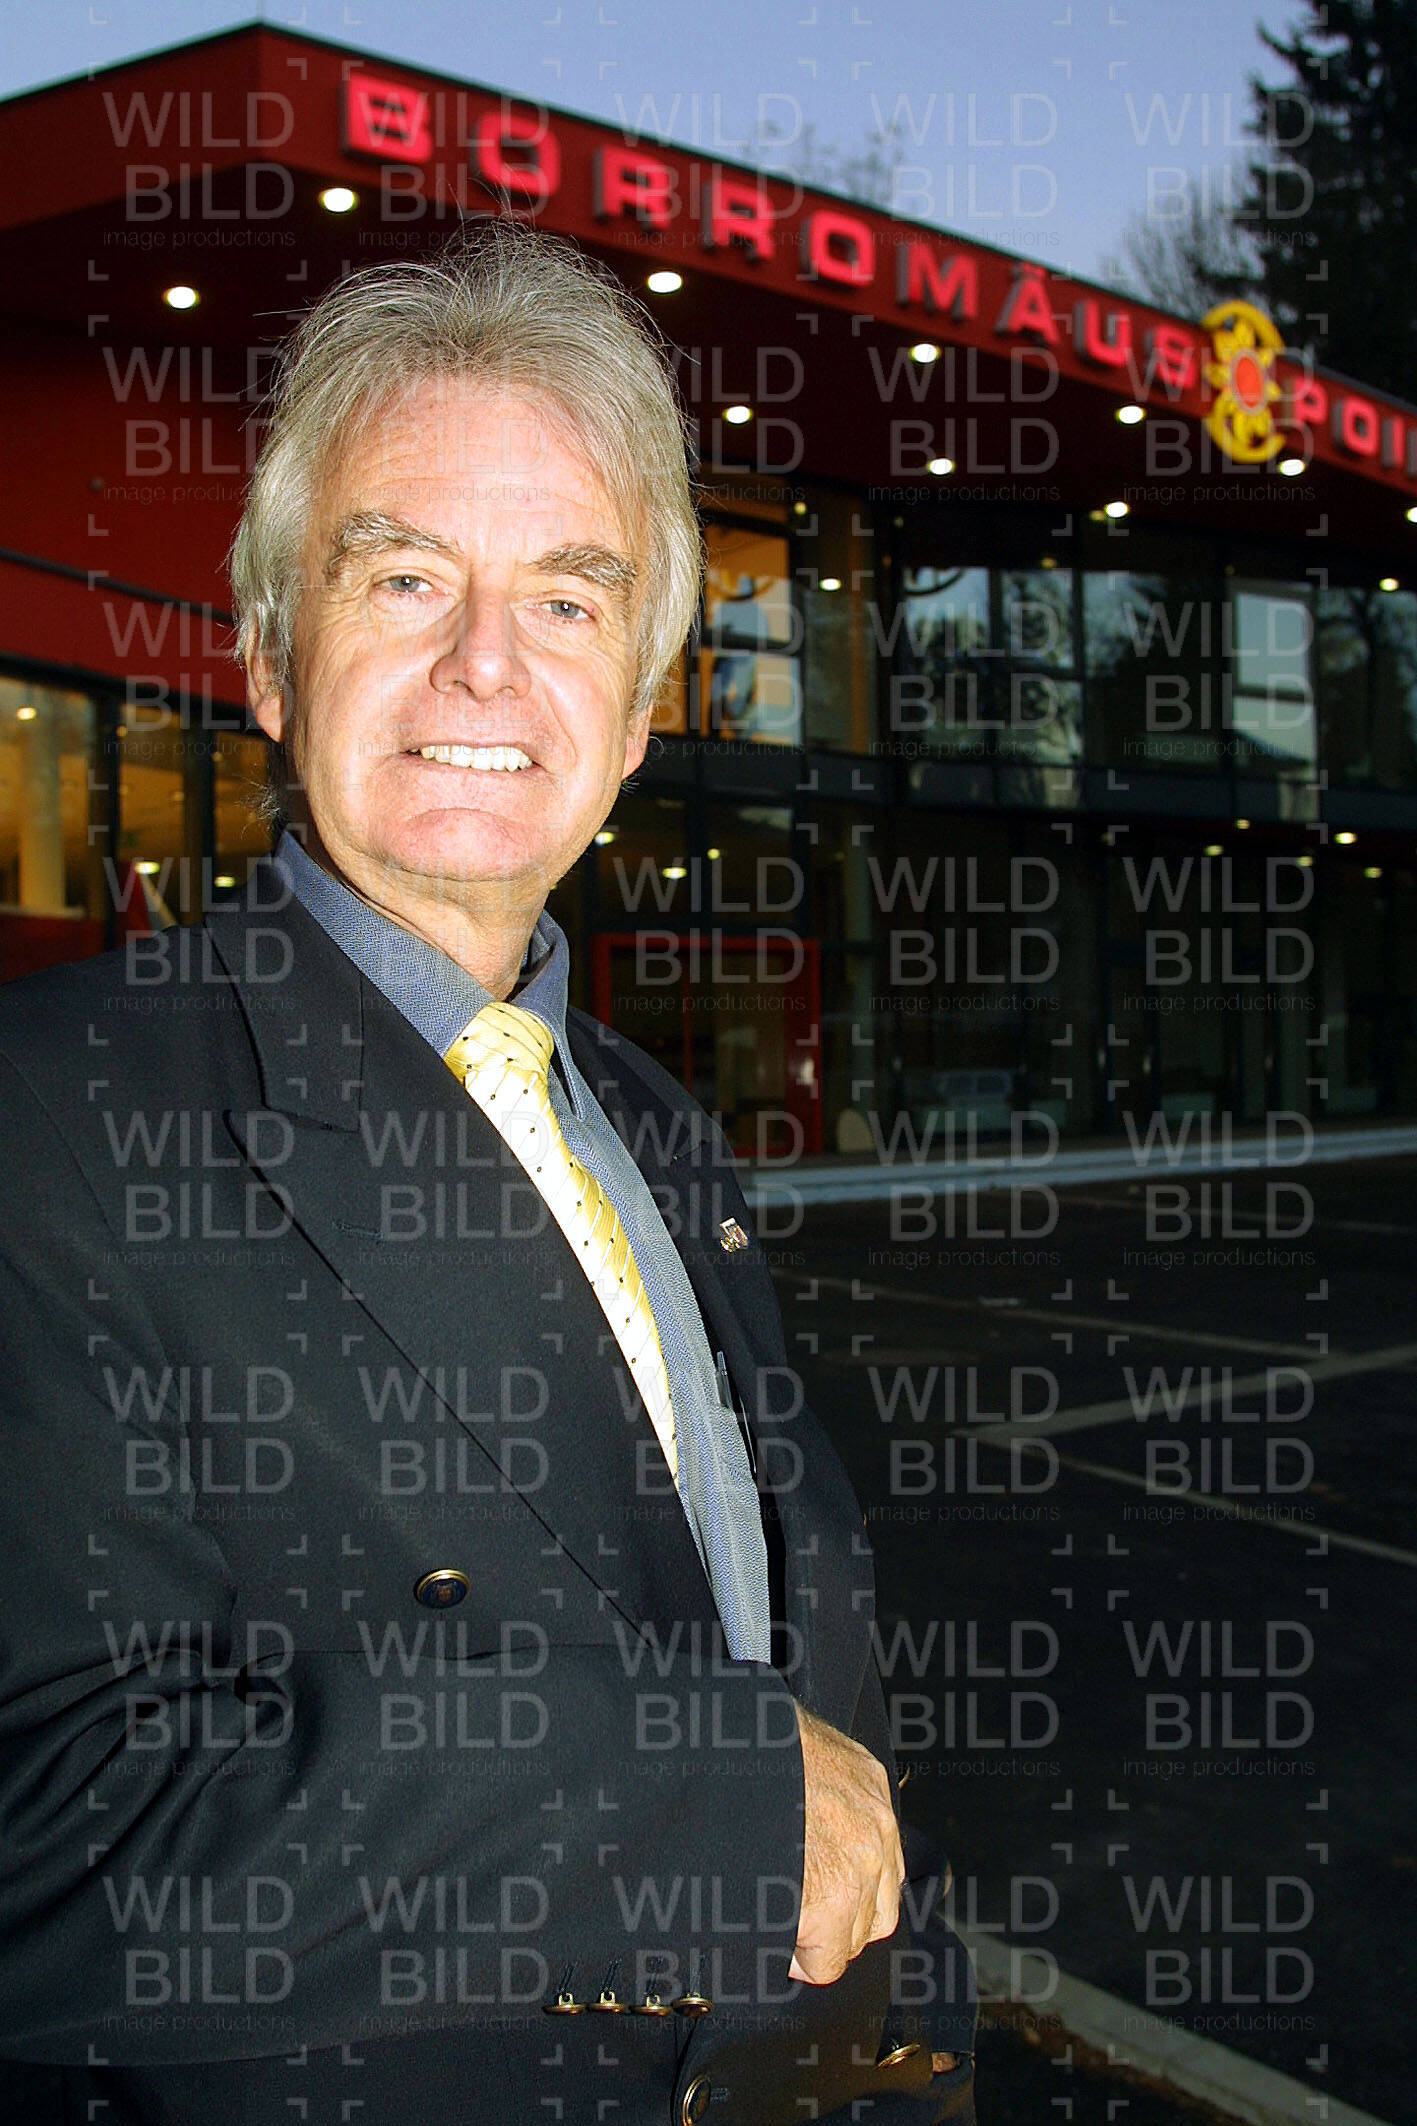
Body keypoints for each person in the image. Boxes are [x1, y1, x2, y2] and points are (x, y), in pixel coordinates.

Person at [0, 221, 975, 2124]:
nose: (484, 662)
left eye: (567, 599)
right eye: (404, 576)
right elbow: (45, 1832)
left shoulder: (651, 1125)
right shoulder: (56, 1115)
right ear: (270, 659)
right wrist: (695, 1812)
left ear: (638, 712)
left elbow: (789, 1663)